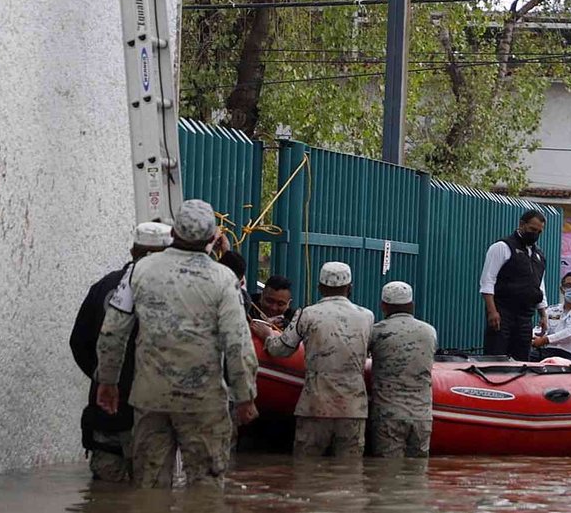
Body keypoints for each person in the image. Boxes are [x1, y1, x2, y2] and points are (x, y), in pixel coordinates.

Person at [95, 199, 260, 487]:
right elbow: (237, 342)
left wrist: (107, 382)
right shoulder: (224, 279)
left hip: (150, 397)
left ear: (173, 233)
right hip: (204, 401)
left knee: (149, 486)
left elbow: (113, 330)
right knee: (205, 488)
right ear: (212, 238)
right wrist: (245, 395)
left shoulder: (138, 271)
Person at [69, 222, 172, 482]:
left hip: (107, 410)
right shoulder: (176, 294)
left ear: (132, 250)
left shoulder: (104, 287)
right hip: (154, 412)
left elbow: (79, 343)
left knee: (105, 494)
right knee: (152, 495)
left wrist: (103, 376)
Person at [250, 261, 374, 457]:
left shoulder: (307, 314)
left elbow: (281, 350)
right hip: (353, 410)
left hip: (315, 406)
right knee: (349, 474)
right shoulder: (367, 316)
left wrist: (267, 335)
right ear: (350, 288)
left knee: (306, 471)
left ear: (320, 287)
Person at [368, 281, 437, 458]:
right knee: (418, 474)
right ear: (411, 305)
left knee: (387, 475)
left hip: (389, 415)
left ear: (383, 306)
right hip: (422, 416)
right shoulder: (429, 332)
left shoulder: (376, 332)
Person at [480, 209, 548, 361]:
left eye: (539, 231)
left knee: (522, 359)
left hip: (525, 316)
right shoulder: (502, 247)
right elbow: (487, 281)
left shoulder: (539, 255)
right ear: (522, 224)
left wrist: (543, 314)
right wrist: (492, 311)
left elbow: (538, 284)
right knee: (496, 357)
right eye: (532, 229)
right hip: (503, 312)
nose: (535, 234)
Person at [529, 272, 571, 366]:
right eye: (568, 285)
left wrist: (545, 340)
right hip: (550, 352)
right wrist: (531, 337)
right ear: (562, 289)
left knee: (554, 362)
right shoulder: (552, 310)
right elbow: (540, 329)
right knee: (524, 357)